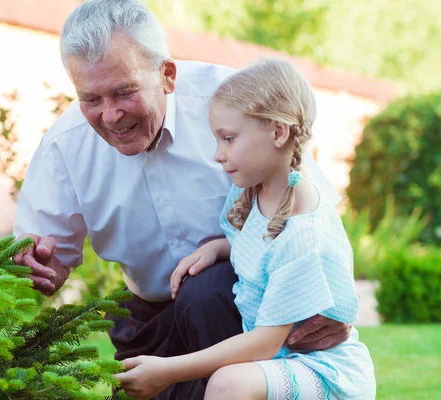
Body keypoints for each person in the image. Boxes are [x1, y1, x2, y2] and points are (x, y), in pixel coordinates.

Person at [12, 1, 352, 399]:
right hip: (148, 322)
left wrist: (334, 309)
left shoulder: (240, 106)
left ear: (166, 75)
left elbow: (315, 214)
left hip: (241, 309)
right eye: (91, 99)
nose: (110, 115)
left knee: (206, 291)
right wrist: (40, 266)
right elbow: (49, 266)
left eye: (124, 91)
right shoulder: (64, 146)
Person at [114, 58, 376, 400]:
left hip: (323, 371)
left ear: (278, 133)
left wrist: (168, 370)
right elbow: (261, 248)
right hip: (284, 359)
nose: (218, 155)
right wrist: (219, 247)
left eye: (228, 139)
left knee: (228, 383)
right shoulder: (255, 189)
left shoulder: (304, 236)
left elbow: (266, 342)